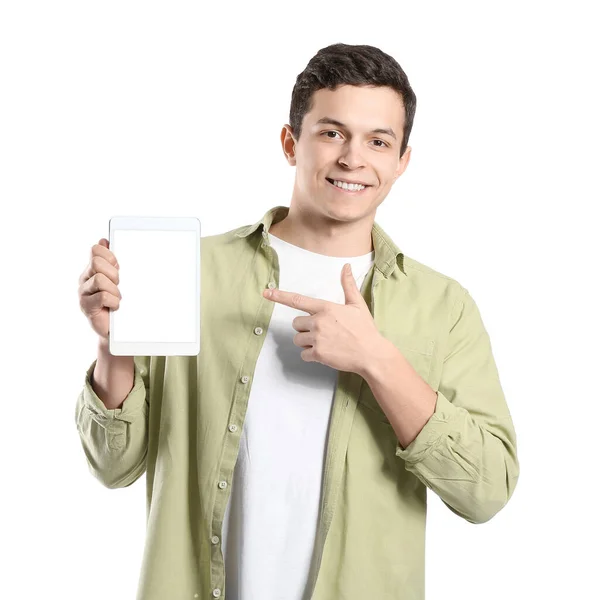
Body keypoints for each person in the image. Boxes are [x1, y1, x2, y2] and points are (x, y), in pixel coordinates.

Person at [76, 43, 519, 600]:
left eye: (378, 141)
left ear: (402, 161)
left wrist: (377, 360)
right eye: (331, 133)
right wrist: (112, 344)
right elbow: (113, 465)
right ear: (291, 142)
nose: (353, 158)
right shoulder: (193, 271)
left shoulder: (443, 306)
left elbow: (487, 490)